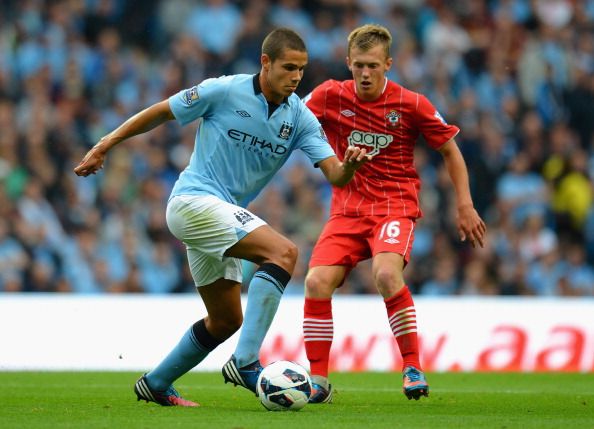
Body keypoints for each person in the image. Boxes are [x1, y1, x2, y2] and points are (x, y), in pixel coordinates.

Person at [74, 27, 370, 407]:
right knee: (283, 253)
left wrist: (349, 166)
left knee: (226, 320)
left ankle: (156, 383)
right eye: (289, 67)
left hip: (221, 217)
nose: (296, 77)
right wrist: (105, 144)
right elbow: (161, 112)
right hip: (192, 202)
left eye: (301, 69)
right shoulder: (225, 90)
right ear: (265, 63)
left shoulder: (299, 118)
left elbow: (333, 173)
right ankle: (246, 362)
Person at [301, 24, 487, 403]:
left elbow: (450, 150)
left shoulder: (411, 103)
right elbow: (289, 124)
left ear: (388, 63)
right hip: (347, 209)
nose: (365, 74)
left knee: (386, 274)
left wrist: (464, 204)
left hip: (394, 206)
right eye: (358, 66)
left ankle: (412, 366)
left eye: (373, 65)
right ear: (347, 63)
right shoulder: (328, 96)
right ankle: (318, 381)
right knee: (315, 283)